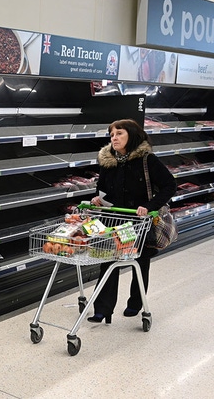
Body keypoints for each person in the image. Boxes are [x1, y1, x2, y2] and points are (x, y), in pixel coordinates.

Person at [86, 119, 176, 323]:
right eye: (111, 135)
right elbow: (102, 188)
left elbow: (170, 185)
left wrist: (150, 206)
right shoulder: (108, 161)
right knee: (107, 261)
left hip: (138, 222)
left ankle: (136, 303)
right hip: (112, 219)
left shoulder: (147, 160)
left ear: (132, 135)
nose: (114, 138)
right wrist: (97, 199)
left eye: (119, 133)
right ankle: (102, 309)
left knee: (140, 262)